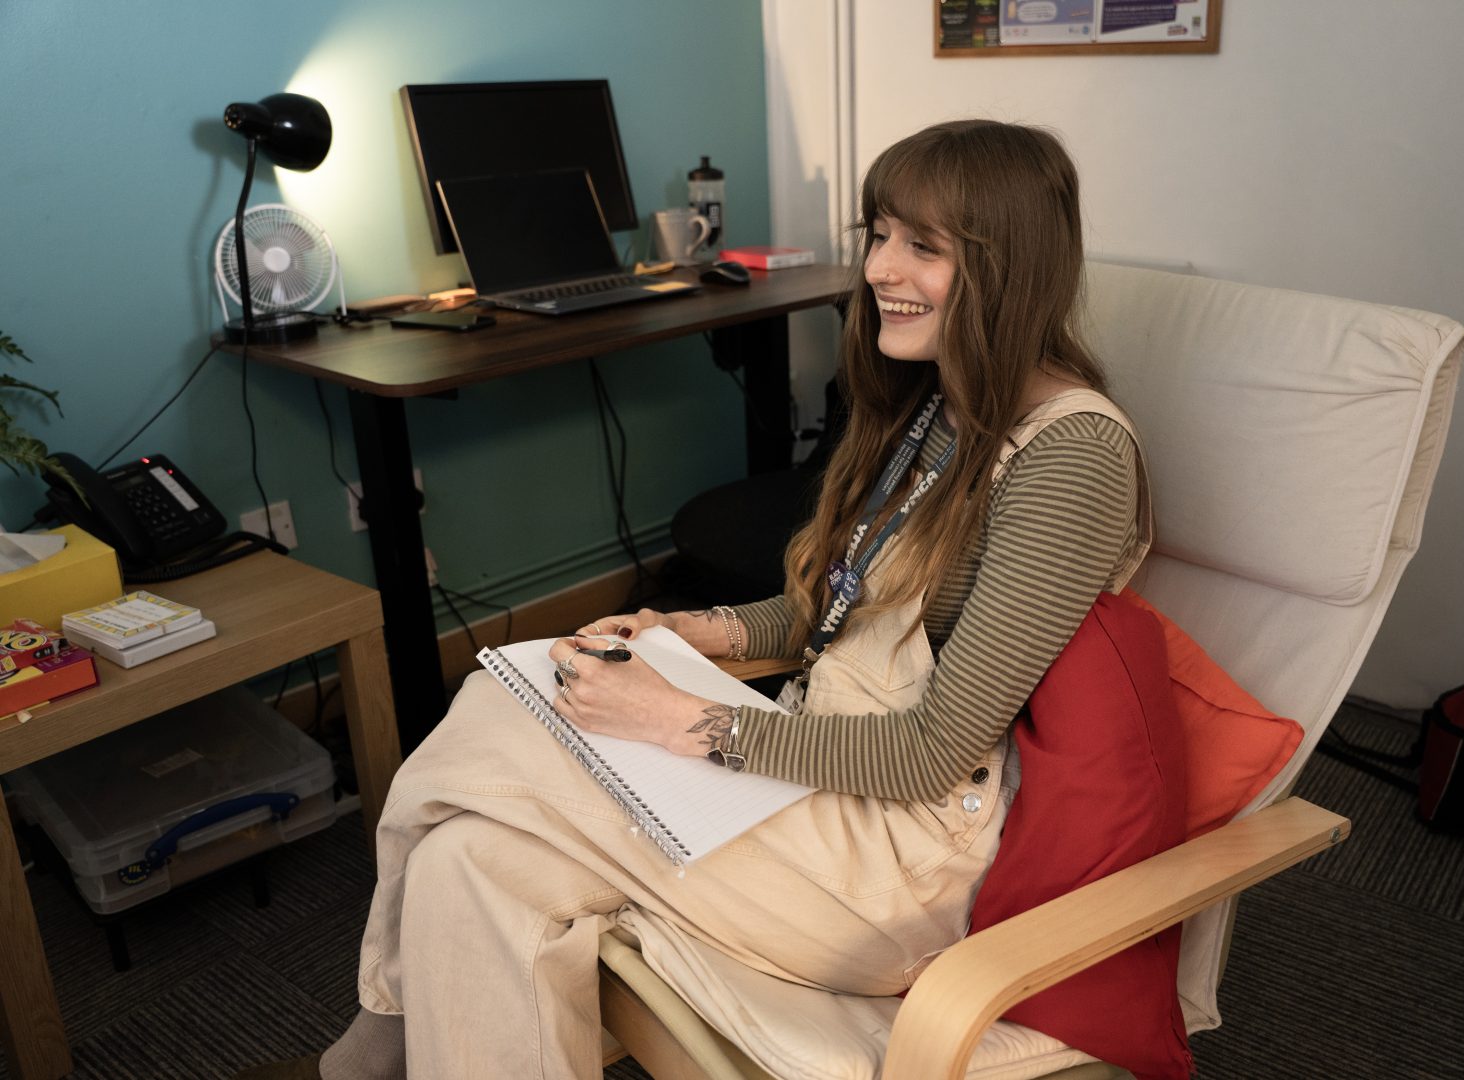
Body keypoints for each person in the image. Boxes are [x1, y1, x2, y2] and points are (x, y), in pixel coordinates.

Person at [239, 118, 1151, 1080]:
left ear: (1009, 266)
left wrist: (690, 722)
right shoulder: (944, 404)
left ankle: (361, 1060)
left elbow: (929, 756)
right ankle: (384, 1052)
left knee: (499, 703)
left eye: (921, 247)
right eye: (879, 233)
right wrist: (695, 629)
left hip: (900, 863)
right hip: (813, 782)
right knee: (469, 861)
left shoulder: (1071, 457)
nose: (879, 267)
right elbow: (845, 610)